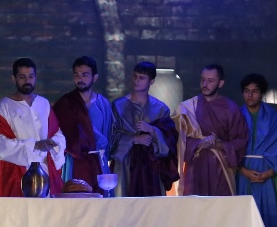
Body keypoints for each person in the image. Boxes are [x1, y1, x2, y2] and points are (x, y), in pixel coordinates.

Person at [0, 58, 66, 197]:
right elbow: (1, 143)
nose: (27, 80)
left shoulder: (43, 103)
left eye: (31, 76)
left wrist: (53, 143)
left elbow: (58, 133)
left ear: (36, 77)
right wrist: (35, 146)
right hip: (17, 172)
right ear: (14, 78)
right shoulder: (4, 106)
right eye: (22, 77)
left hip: (45, 170)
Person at [236, 73, 277, 227]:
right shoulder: (236, 115)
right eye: (246, 91)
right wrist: (242, 170)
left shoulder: (273, 116)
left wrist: (269, 173)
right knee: (243, 222)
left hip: (267, 172)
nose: (250, 95)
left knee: (269, 221)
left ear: (262, 94)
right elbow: (232, 147)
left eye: (255, 91)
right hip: (243, 174)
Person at [174, 64, 249, 196]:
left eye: (210, 81)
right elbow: (177, 138)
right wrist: (199, 143)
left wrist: (219, 145)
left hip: (221, 170)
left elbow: (241, 140)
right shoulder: (189, 107)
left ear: (220, 83)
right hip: (196, 169)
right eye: (202, 80)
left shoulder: (231, 108)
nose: (205, 84)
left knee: (221, 206)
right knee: (195, 205)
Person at [109, 61, 178, 197]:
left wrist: (152, 130)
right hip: (125, 164)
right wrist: (133, 139)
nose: (136, 81)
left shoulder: (161, 109)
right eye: (135, 76)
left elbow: (169, 140)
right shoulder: (118, 106)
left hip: (151, 166)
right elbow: (111, 135)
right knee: (123, 202)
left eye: (141, 78)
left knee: (151, 204)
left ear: (151, 81)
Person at [52, 56, 114, 191]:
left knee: (100, 201)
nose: (80, 79)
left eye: (85, 75)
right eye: (76, 75)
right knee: (74, 198)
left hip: (98, 161)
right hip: (73, 161)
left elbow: (108, 135)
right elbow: (55, 134)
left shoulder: (103, 104)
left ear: (95, 77)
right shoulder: (65, 103)